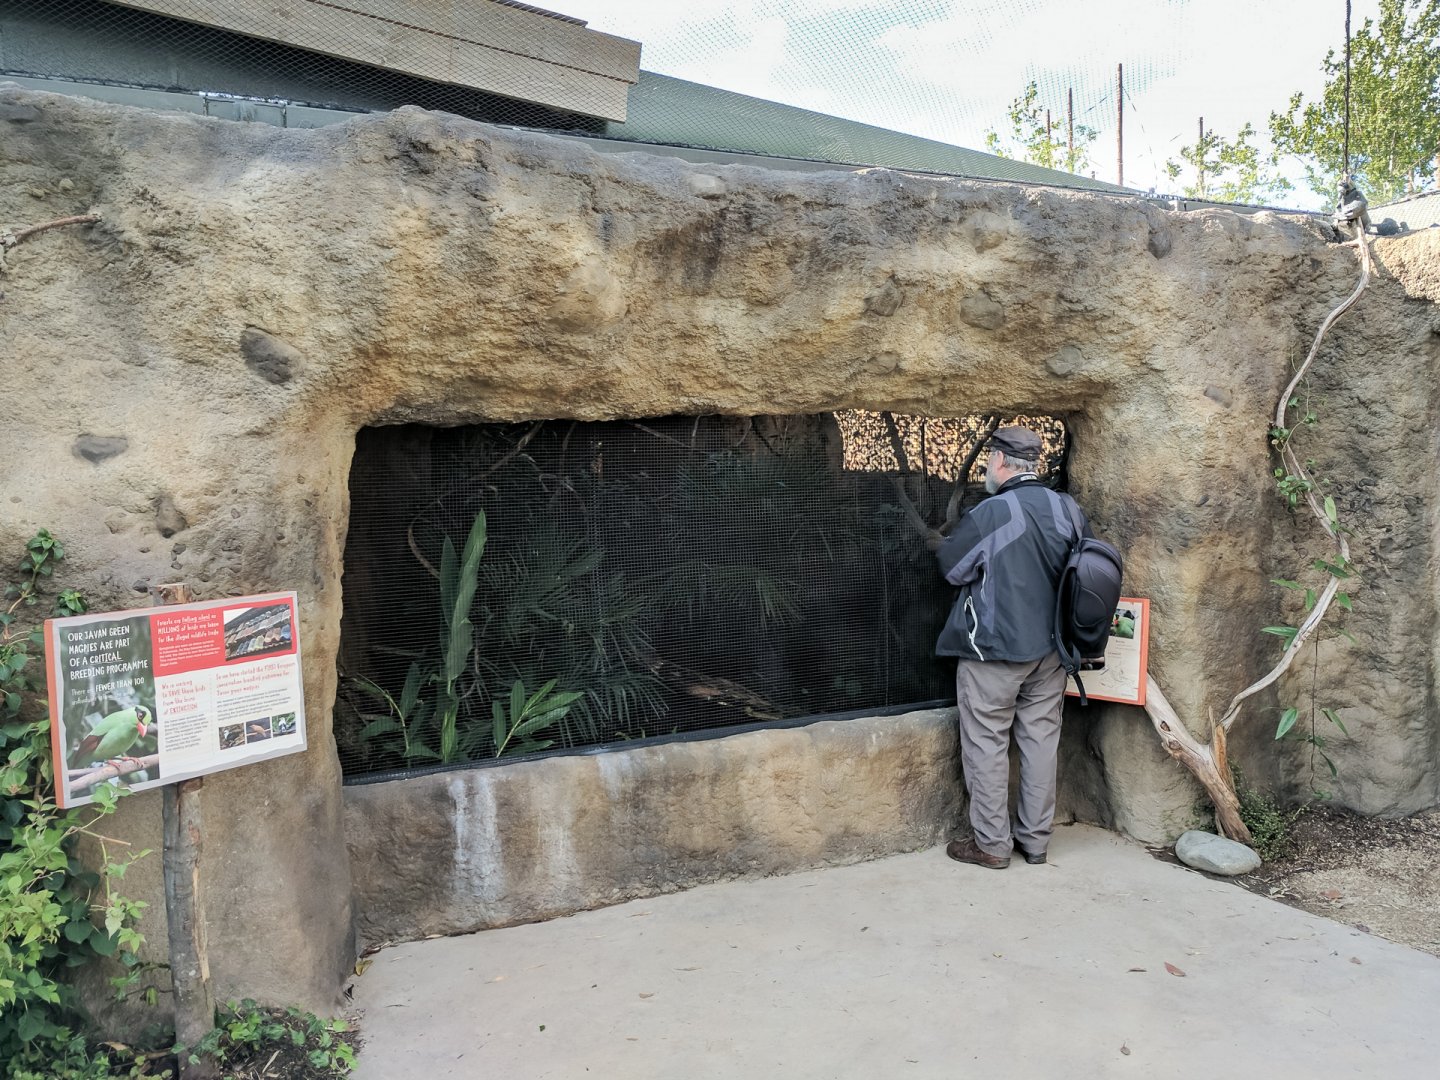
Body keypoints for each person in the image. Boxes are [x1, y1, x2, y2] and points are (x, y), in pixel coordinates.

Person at [934, 425, 1090, 869]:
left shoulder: (993, 512)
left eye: (988, 462)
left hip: (995, 651)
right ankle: (1036, 842)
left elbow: (952, 569)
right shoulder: (1068, 509)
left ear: (1000, 462)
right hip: (1052, 651)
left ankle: (992, 846)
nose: (987, 469)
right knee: (1041, 742)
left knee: (986, 741)